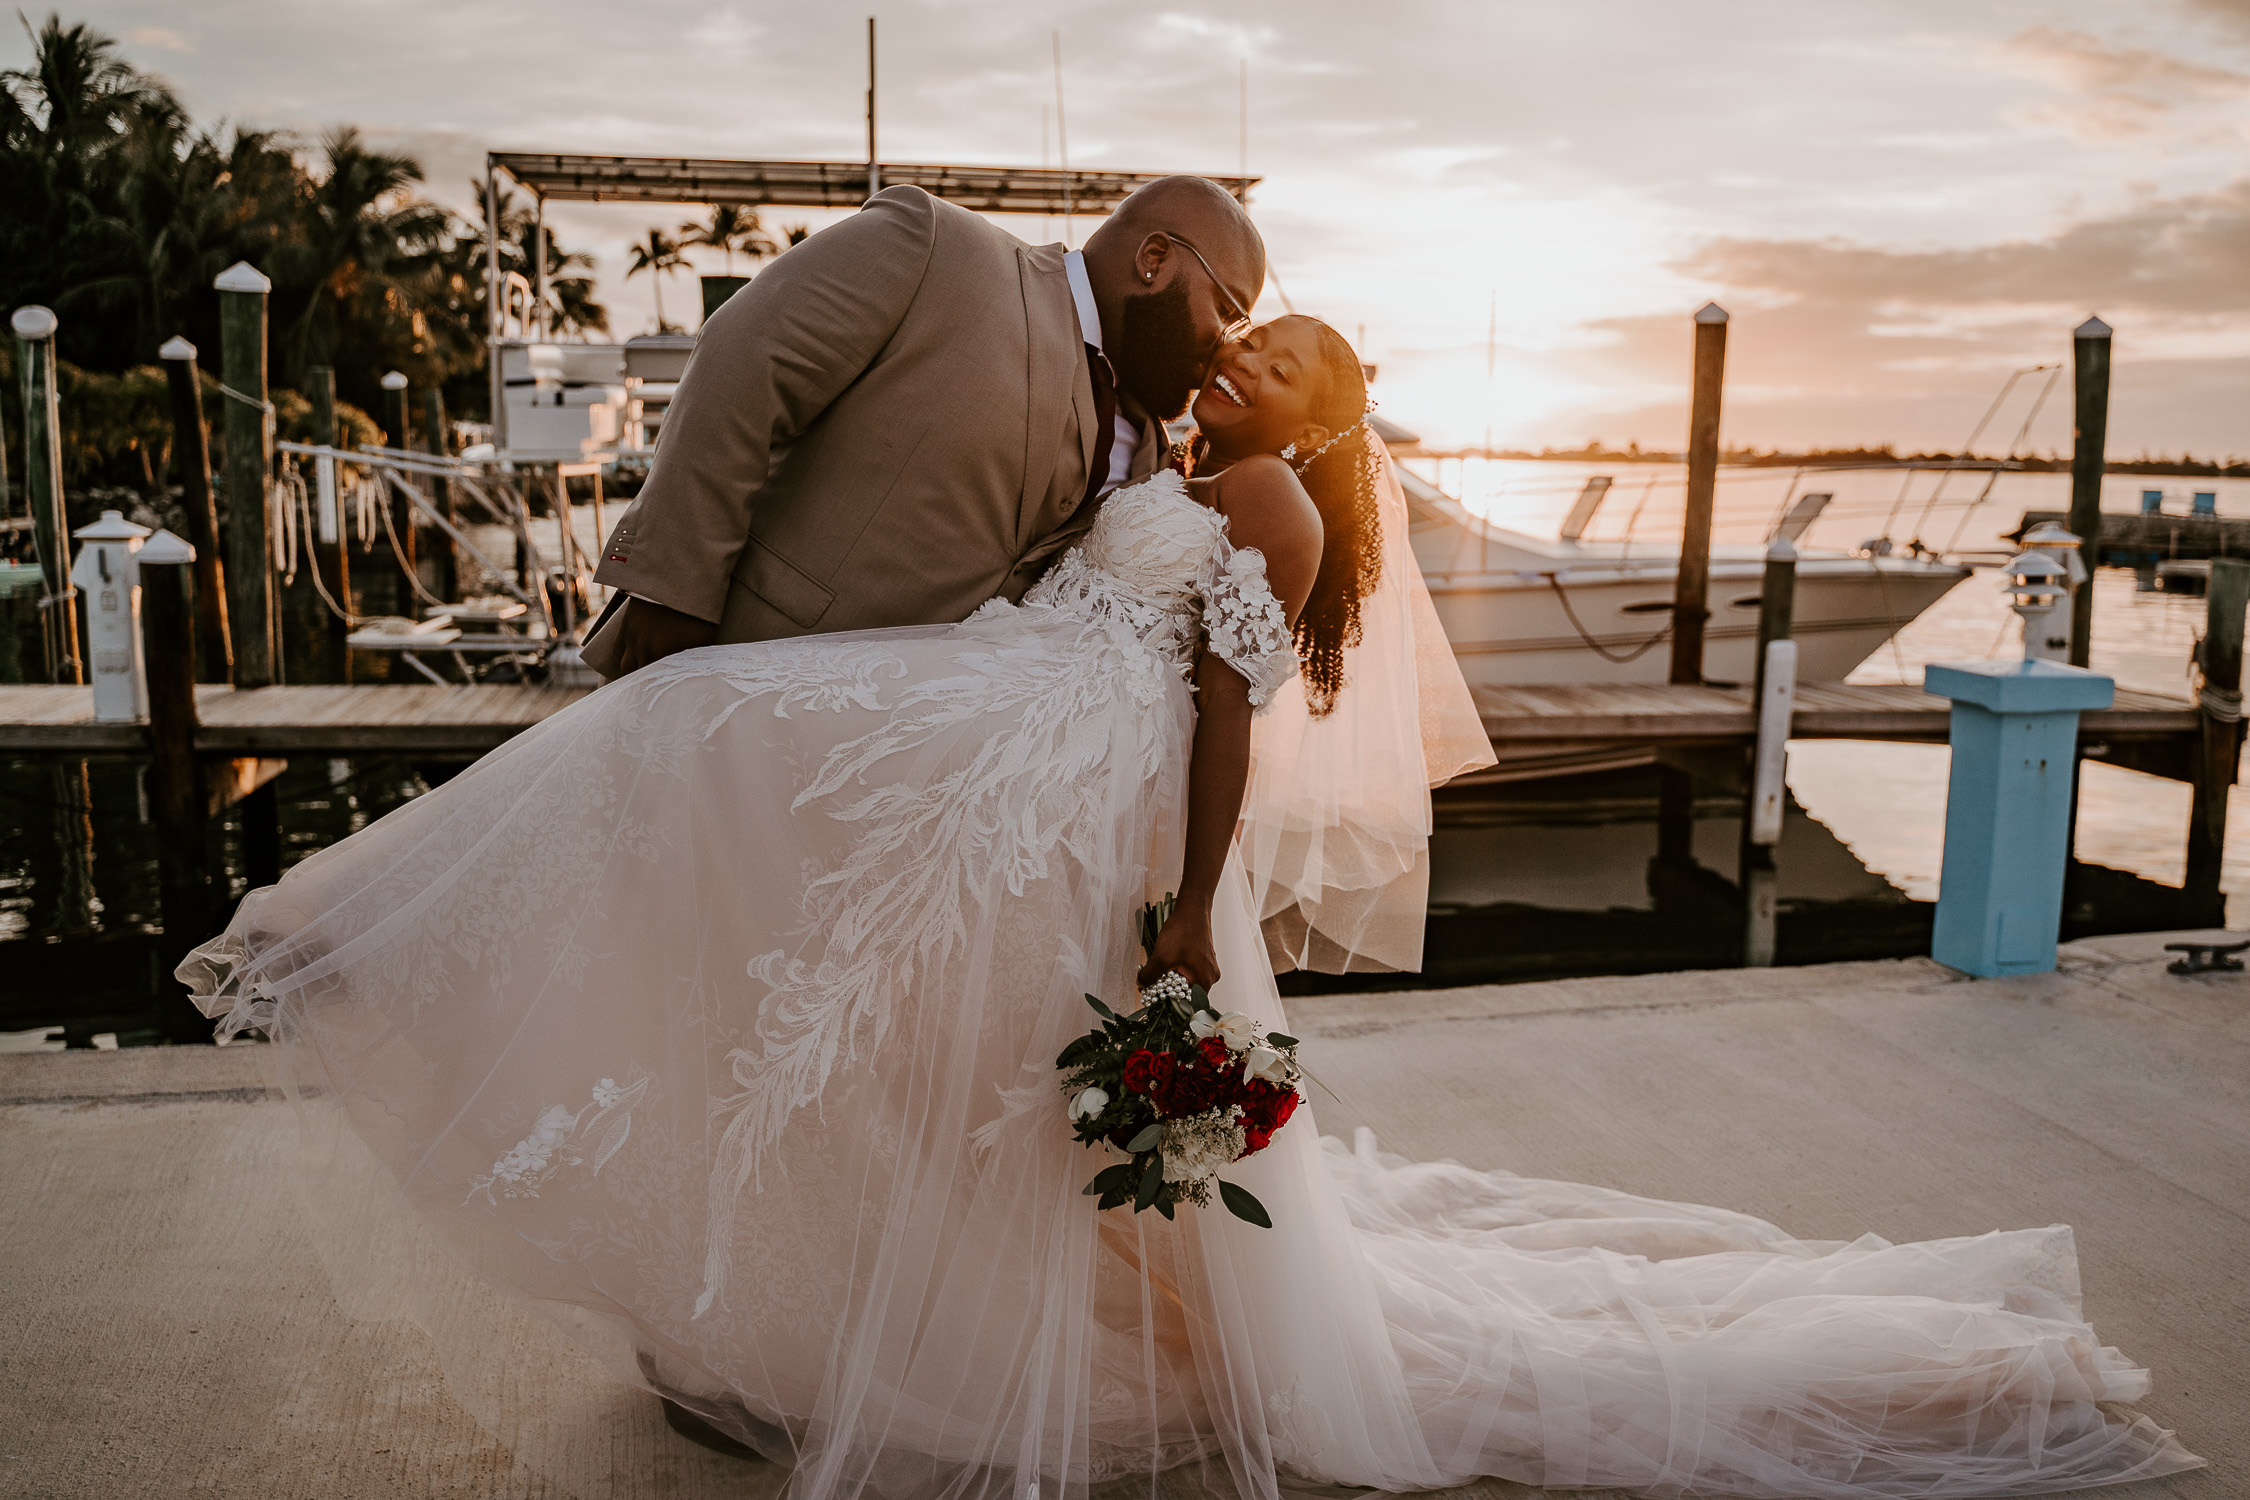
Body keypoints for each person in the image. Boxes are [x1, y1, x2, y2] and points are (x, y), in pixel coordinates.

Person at [182, 320, 2199, 1500]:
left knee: (709, 734)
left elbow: (1226, 717)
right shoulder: (1191, 463)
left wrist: (1178, 915)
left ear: (1307, 405)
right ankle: (402, 962)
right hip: (1011, 732)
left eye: (1267, 357)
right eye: (1238, 345)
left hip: (1072, 780)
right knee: (720, 770)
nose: (1232, 362)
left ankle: (376, 947)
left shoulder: (1273, 505)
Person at [580, 174, 1265, 680]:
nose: (1227, 343)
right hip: (735, 667)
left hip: (909, 774)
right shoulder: (936, 246)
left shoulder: (1148, 447)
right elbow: (743, 362)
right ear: (1155, 259)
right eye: (1229, 310)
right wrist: (673, 589)